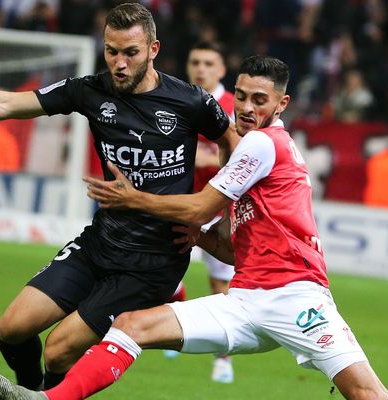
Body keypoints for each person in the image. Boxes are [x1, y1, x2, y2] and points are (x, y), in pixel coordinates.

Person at [0, 55, 388, 400]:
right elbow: (235, 249)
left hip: (296, 298)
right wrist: (201, 239)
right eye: (240, 97)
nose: (247, 108)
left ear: (282, 104)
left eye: (260, 99)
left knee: (367, 394)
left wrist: (134, 199)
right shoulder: (254, 156)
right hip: (244, 301)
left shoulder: (262, 143)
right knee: (131, 325)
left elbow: (200, 207)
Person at [0, 2, 239, 390]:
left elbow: (232, 146)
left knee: (58, 350)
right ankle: (32, 396)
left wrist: (214, 211)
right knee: (12, 329)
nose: (119, 63)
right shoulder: (89, 91)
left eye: (130, 53)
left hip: (154, 261)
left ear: (153, 50)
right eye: (111, 51)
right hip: (101, 242)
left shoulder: (190, 101)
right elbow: (4, 104)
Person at [169, 40, 236, 384]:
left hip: (218, 206)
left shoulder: (233, 107)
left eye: (209, 63)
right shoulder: (178, 100)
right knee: (163, 269)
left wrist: (205, 158)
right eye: (196, 62)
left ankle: (223, 358)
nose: (201, 69)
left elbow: (240, 155)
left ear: (222, 69)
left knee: (220, 283)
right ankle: (171, 319)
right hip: (179, 200)